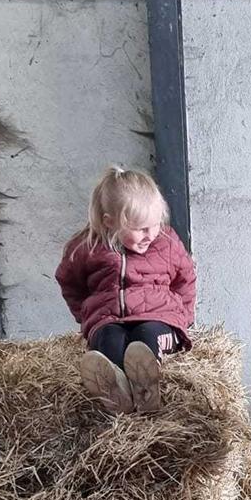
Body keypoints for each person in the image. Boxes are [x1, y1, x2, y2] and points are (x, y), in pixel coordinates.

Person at [55, 165, 196, 416]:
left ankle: (146, 392)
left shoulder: (166, 242)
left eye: (155, 224)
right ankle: (116, 394)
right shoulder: (87, 247)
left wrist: (183, 317)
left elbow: (185, 278)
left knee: (144, 338)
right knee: (109, 341)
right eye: (141, 228)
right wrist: (86, 315)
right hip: (108, 318)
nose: (150, 234)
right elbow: (69, 282)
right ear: (110, 223)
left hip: (158, 317)